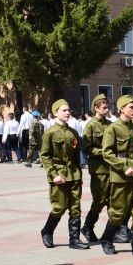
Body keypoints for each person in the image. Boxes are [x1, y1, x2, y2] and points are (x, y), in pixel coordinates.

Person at [99, 95, 133, 257]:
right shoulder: (113, 128)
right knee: (118, 212)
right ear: (122, 109)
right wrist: (123, 167)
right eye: (131, 107)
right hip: (121, 176)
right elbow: (107, 154)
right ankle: (106, 239)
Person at [38, 100, 91, 250]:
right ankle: (47, 231)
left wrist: (79, 176)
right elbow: (45, 156)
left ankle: (74, 239)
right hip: (59, 173)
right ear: (56, 112)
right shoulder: (50, 132)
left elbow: (76, 157)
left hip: (73, 174)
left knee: (75, 207)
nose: (67, 113)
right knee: (59, 207)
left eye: (68, 110)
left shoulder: (73, 132)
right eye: (64, 110)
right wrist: (53, 174)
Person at [81, 94, 112, 243]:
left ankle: (114, 231)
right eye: (104, 107)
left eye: (107, 107)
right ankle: (87, 226)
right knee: (99, 200)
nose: (107, 110)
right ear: (96, 108)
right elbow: (86, 148)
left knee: (113, 201)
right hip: (99, 169)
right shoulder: (91, 125)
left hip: (111, 168)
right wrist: (103, 152)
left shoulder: (110, 124)